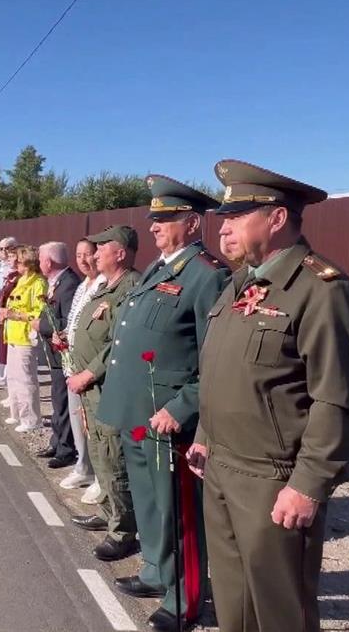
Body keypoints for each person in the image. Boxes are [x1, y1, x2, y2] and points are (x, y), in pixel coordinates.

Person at [188, 160, 349, 632]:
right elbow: (223, 372)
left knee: (281, 611)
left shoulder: (321, 291)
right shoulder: (238, 286)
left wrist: (308, 483)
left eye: (237, 215)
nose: (224, 225)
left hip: (273, 479)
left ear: (276, 218)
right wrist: (206, 433)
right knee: (232, 600)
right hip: (222, 466)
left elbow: (337, 400)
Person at [94, 178, 230, 632]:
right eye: (153, 218)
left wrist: (185, 405)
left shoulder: (207, 274)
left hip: (170, 417)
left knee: (178, 512)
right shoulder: (159, 268)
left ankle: (186, 600)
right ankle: (155, 571)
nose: (153, 227)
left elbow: (216, 357)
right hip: (138, 410)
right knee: (150, 503)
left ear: (191, 223)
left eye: (165, 218)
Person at [64, 225, 146, 564]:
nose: (94, 255)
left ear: (121, 253)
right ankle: (109, 511)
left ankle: (123, 530)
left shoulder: (131, 288)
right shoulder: (105, 287)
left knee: (113, 457)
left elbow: (120, 343)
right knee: (99, 453)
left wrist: (88, 372)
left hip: (107, 386)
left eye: (101, 249)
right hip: (90, 389)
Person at [58, 238, 101, 494]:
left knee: (92, 424)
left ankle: (98, 476)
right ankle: (83, 467)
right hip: (72, 364)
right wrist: (62, 335)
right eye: (79, 255)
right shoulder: (83, 286)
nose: (84, 260)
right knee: (77, 419)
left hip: (89, 368)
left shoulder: (102, 286)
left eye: (88, 255)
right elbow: (75, 320)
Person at [34, 241, 82, 469]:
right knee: (56, 401)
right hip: (54, 356)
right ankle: (57, 441)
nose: (39, 262)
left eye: (41, 258)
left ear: (49, 261)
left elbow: (68, 322)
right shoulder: (57, 282)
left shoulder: (69, 284)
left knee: (63, 402)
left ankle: (65, 449)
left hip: (63, 356)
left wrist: (41, 325)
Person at [0, 245, 46, 432]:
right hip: (13, 334)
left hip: (25, 337)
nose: (15, 264)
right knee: (13, 377)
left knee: (26, 379)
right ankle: (17, 412)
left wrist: (15, 315)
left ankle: (31, 419)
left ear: (27, 263)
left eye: (18, 261)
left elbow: (39, 312)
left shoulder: (38, 283)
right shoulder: (21, 280)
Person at [0, 238, 19, 391]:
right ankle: (1, 375)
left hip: (8, 315)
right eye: (0, 249)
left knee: (5, 347)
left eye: (5, 249)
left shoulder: (13, 270)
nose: (2, 252)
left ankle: (6, 377)